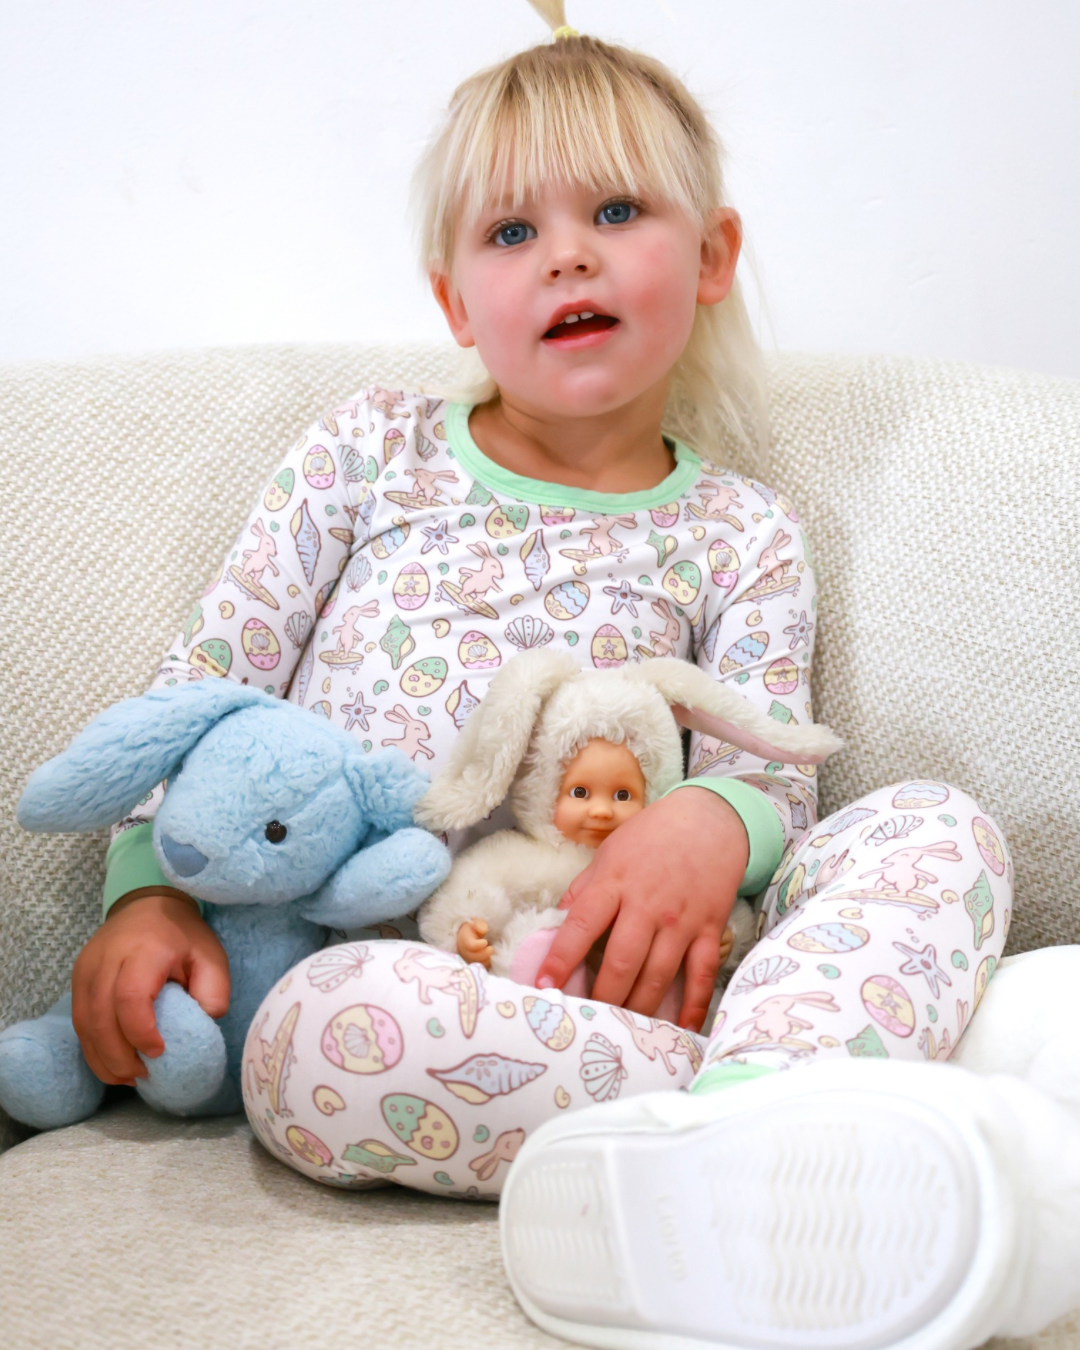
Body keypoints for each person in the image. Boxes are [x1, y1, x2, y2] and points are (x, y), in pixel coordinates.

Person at [69, 5, 1080, 1348]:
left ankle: (758, 1114)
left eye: (614, 209)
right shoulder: (366, 456)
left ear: (711, 256)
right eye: (510, 231)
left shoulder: (742, 528)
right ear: (452, 298)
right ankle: (788, 1122)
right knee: (315, 1033)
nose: (566, 255)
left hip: (663, 977)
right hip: (423, 991)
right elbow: (207, 683)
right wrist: (147, 894)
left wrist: (711, 818)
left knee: (940, 825)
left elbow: (774, 768)